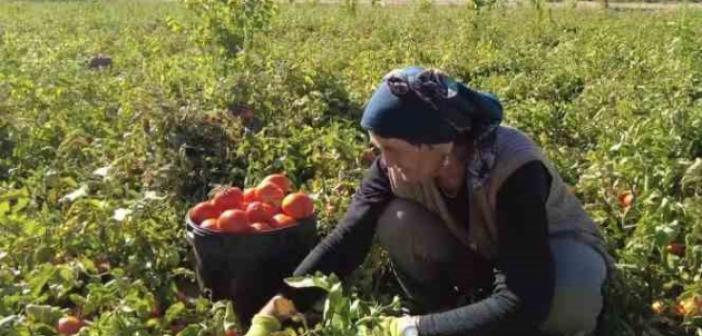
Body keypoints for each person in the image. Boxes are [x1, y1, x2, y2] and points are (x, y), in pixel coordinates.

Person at [244, 66, 614, 336]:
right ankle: (458, 309)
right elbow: (346, 239)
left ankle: (470, 318)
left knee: (566, 300)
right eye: (378, 148)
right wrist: (279, 306)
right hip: (482, 254)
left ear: (440, 144)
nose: (383, 161)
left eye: (392, 149)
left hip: (546, 250)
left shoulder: (514, 168)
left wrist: (403, 330)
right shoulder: (397, 167)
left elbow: (524, 298)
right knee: (395, 218)